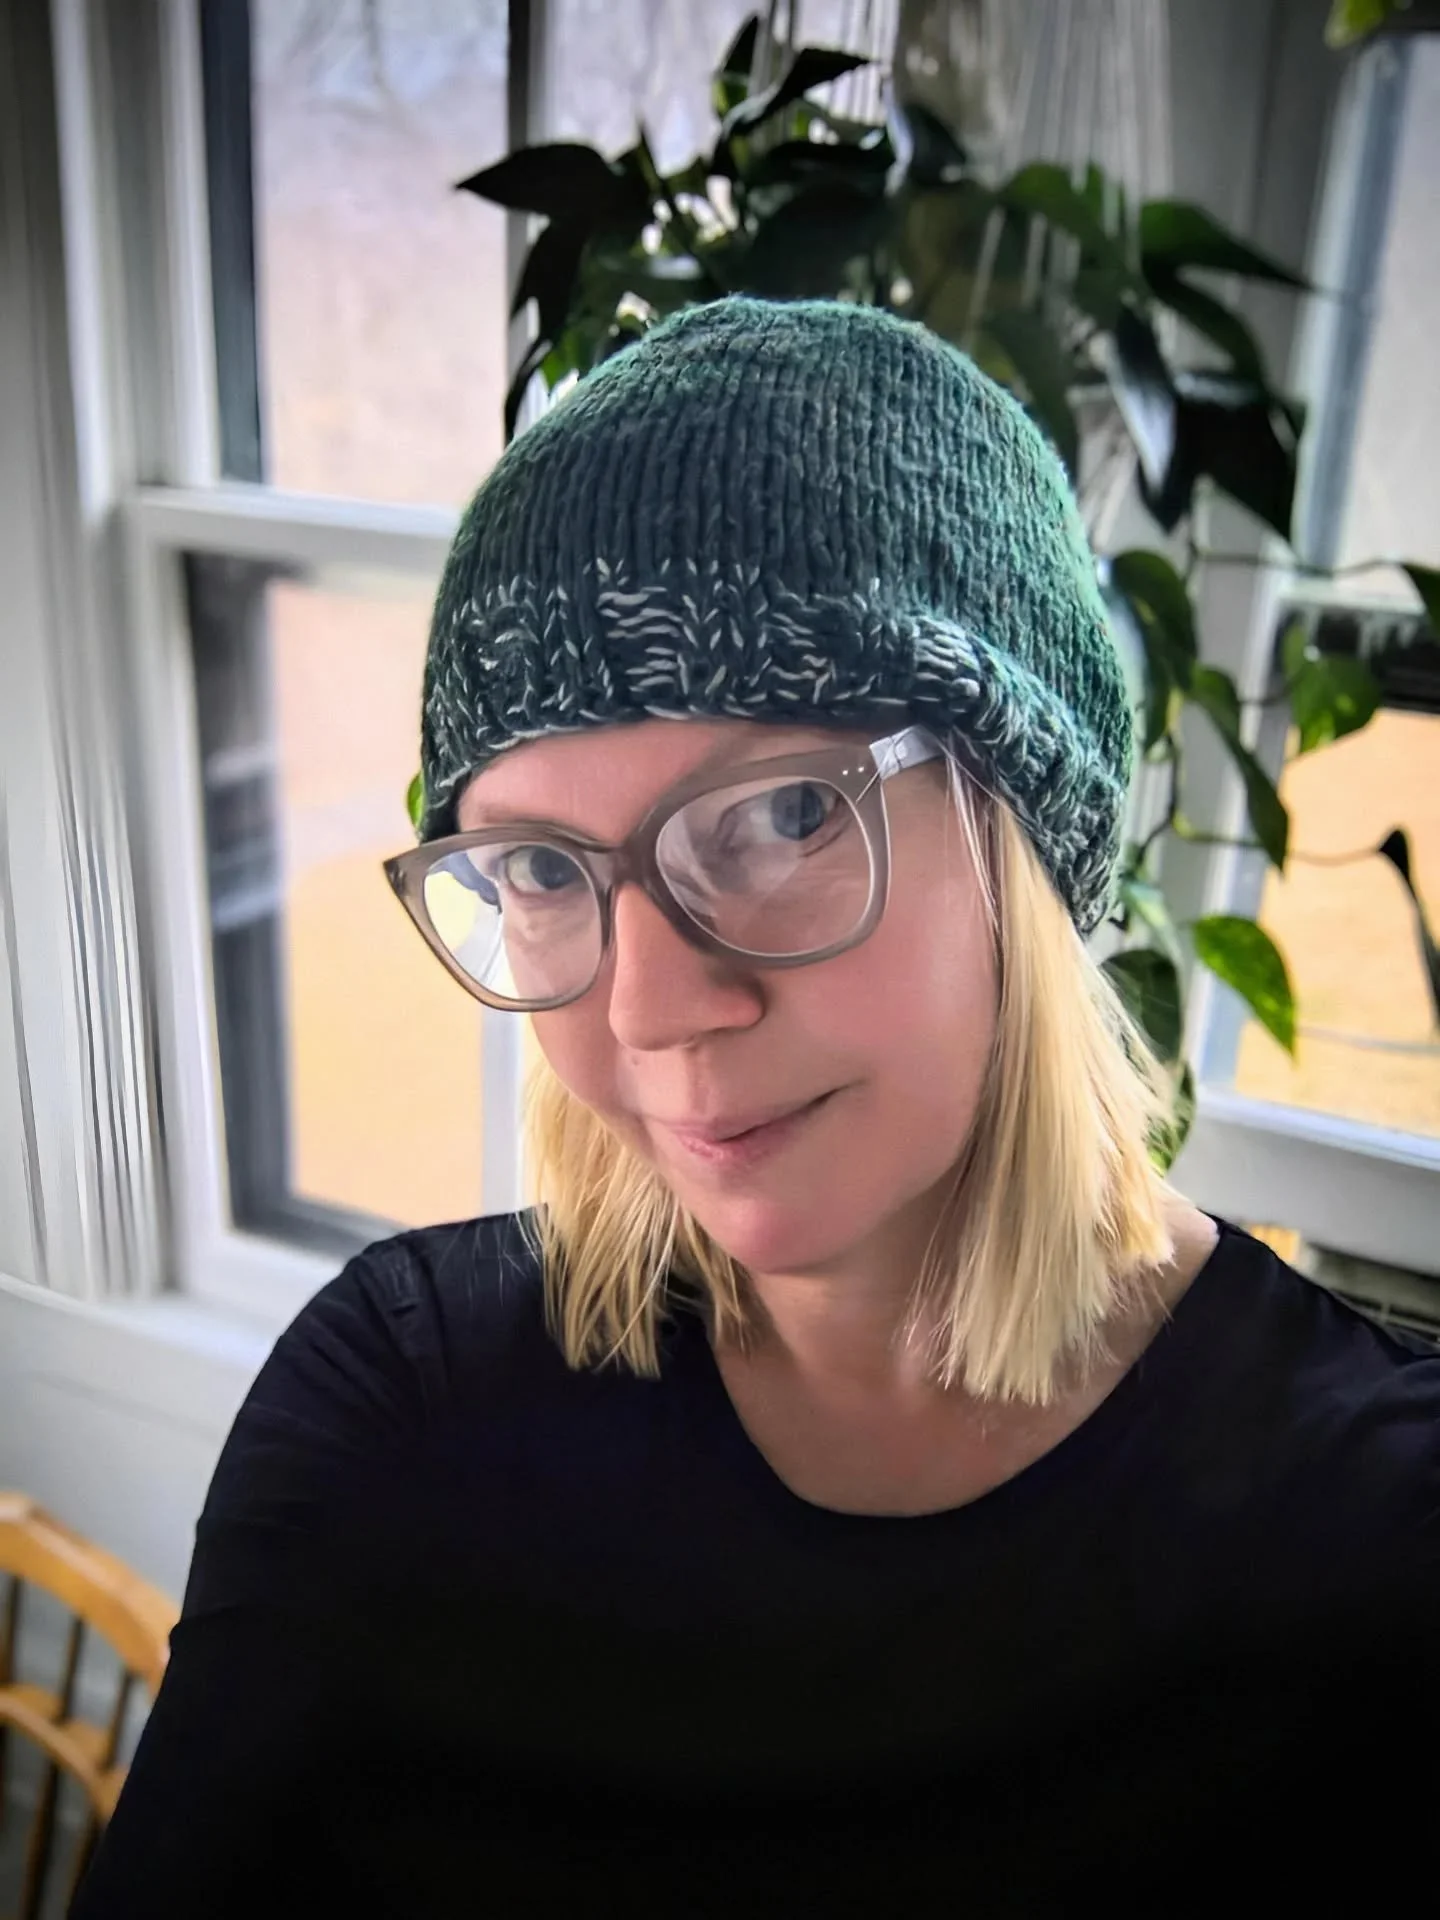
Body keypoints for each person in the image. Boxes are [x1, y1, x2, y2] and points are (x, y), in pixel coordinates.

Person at [74, 299, 1439, 1917]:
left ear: (1022, 842)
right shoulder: (399, 1408)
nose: (651, 1008)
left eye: (784, 815)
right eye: (539, 870)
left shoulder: (1375, 1535)